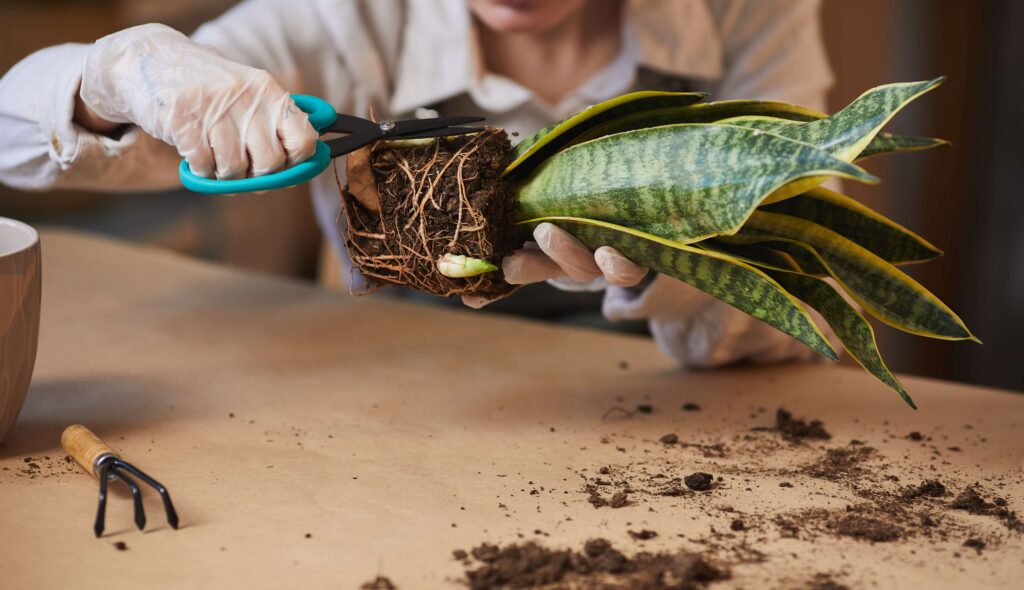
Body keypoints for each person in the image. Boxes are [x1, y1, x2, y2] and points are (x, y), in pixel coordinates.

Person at [0, 0, 838, 367]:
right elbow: (11, 145)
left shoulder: (747, 10)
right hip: (405, 390)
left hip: (681, 403)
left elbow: (807, 296)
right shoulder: (339, 13)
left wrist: (674, 267)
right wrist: (116, 76)